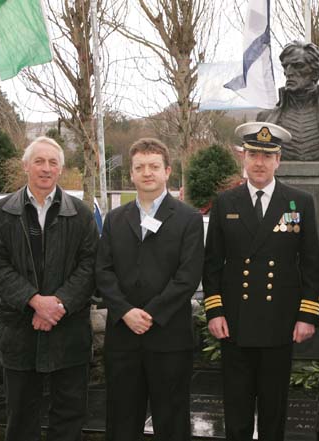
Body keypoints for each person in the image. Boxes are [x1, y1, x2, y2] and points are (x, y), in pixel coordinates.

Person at [203, 121, 319, 441]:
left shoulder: (299, 202)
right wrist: (214, 311)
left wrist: (307, 315)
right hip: (235, 324)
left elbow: (311, 264)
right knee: (237, 412)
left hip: (279, 324)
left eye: (267, 156)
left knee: (274, 413)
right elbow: (212, 264)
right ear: (244, 157)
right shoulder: (226, 202)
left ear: (278, 160)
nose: (259, 162)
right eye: (253, 154)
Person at [0, 136, 99, 441]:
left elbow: (90, 267)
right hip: (20, 332)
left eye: (52, 162)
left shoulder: (81, 214)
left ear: (60, 169)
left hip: (69, 331)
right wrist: (34, 301)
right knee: (20, 418)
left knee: (69, 415)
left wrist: (57, 304)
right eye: (39, 161)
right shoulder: (0, 213)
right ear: (25, 166)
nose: (46, 169)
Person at [96, 138, 204, 441]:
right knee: (121, 420)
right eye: (140, 167)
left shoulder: (188, 218)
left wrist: (152, 314)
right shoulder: (115, 219)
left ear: (167, 171)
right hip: (123, 337)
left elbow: (188, 276)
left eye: (154, 166)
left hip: (169, 337)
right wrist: (126, 311)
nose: (147, 173)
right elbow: (102, 271)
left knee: (171, 420)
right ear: (130, 174)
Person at [256, 41, 319, 161]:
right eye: (286, 66)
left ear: (315, 73)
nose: (289, 72)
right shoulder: (265, 120)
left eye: (298, 66)